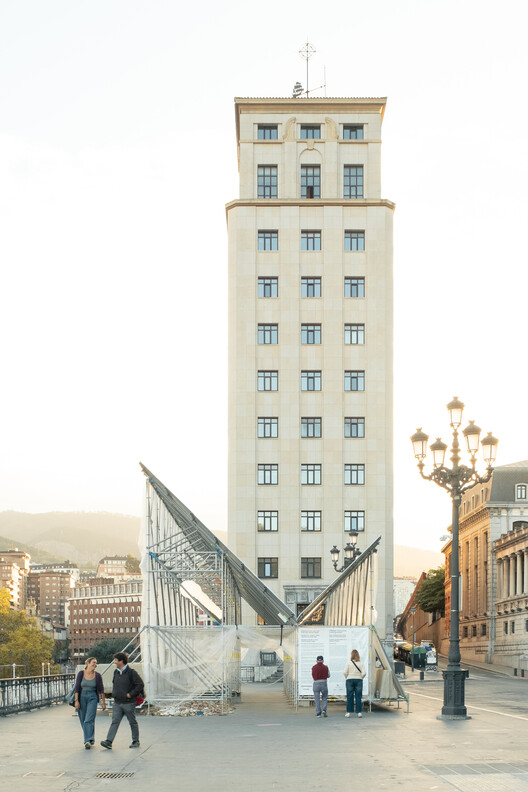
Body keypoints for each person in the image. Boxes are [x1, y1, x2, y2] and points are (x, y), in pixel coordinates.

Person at [101, 652, 144, 750]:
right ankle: (109, 741)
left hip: (129, 703)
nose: (114, 662)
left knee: (132, 722)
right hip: (117, 703)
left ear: (121, 661)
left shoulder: (131, 672)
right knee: (114, 722)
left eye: (116, 660)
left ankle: (135, 741)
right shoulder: (116, 672)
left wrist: (130, 694)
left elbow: (140, 684)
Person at [74, 657, 106, 749]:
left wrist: (103, 703)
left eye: (96, 663)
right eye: (93, 662)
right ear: (87, 663)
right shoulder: (81, 673)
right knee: (83, 720)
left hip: (93, 697)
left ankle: (87, 740)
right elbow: (77, 688)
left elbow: (101, 690)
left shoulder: (98, 675)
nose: (95, 665)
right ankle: (90, 739)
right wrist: (76, 701)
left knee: (89, 719)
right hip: (82, 697)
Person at [343, 649, 366, 718]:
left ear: (351, 655)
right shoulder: (361, 663)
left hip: (349, 680)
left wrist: (347, 677)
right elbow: (364, 673)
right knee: (358, 696)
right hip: (359, 680)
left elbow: (344, 672)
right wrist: (361, 677)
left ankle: (349, 713)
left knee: (350, 696)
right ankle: (359, 712)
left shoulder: (348, 663)